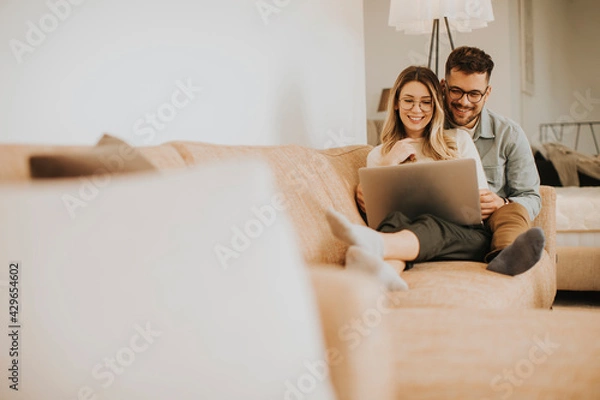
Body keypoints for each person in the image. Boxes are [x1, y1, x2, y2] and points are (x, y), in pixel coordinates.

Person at [328, 66, 542, 291]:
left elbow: (478, 205)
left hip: (466, 236)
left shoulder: (458, 140)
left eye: (426, 102)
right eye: (409, 100)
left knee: (428, 223)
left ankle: (371, 245)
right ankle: (386, 273)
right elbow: (379, 215)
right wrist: (389, 163)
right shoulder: (379, 154)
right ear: (396, 103)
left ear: (435, 106)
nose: (416, 109)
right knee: (395, 221)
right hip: (405, 230)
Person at [440, 46, 545, 276]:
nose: (464, 102)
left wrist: (502, 203)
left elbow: (531, 196)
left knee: (512, 211)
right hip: (442, 218)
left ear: (487, 93)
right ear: (443, 86)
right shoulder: (427, 127)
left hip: (491, 221)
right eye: (456, 91)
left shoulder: (509, 134)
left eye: (474, 94)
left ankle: (508, 255)